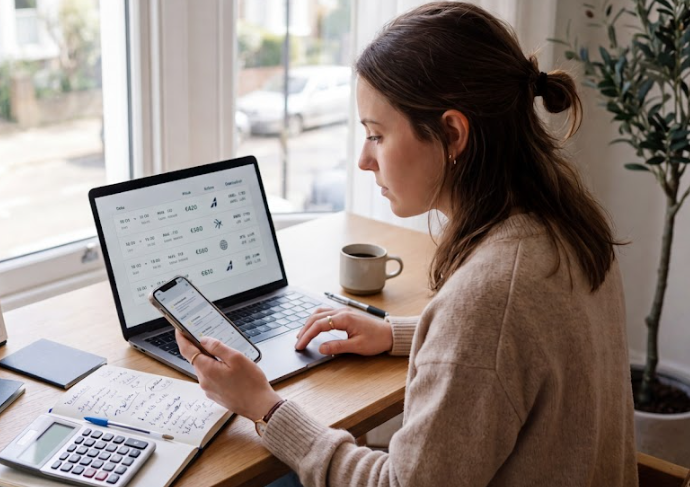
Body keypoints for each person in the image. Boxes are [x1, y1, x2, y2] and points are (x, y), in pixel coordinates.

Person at [175, 2, 638, 485]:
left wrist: (264, 407)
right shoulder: (568, 224)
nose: (363, 161)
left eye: (376, 135)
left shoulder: (490, 295)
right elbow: (513, 349)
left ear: (453, 133)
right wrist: (401, 335)